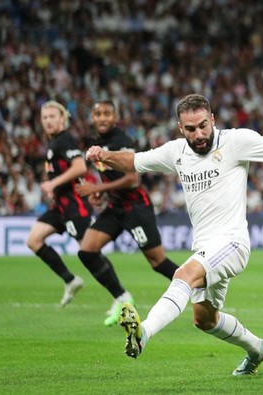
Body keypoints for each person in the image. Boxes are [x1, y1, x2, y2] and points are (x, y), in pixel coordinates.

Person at [85, 94, 263, 375]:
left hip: (232, 243)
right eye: (190, 129)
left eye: (203, 125)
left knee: (183, 275)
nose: (199, 134)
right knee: (204, 319)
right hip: (204, 247)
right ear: (181, 128)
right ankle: (258, 349)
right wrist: (104, 156)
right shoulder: (176, 152)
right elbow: (134, 161)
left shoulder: (237, 142)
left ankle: (143, 335)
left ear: (212, 119)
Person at [75, 100, 180, 326]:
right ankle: (122, 298)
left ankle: (199, 286)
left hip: (135, 208)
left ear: (115, 117)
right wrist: (101, 194)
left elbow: (133, 179)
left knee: (158, 262)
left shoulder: (122, 141)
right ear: (92, 118)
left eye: (107, 113)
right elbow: (110, 176)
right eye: (97, 114)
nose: (102, 118)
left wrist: (96, 188)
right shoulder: (96, 142)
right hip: (114, 208)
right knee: (87, 251)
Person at [25, 100, 126, 308]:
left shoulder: (65, 140)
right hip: (59, 207)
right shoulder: (53, 143)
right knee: (33, 240)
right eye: (45, 117)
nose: (48, 121)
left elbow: (80, 167)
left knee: (89, 252)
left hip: (74, 207)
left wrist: (53, 182)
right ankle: (71, 280)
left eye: (53, 116)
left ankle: (120, 295)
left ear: (63, 119)